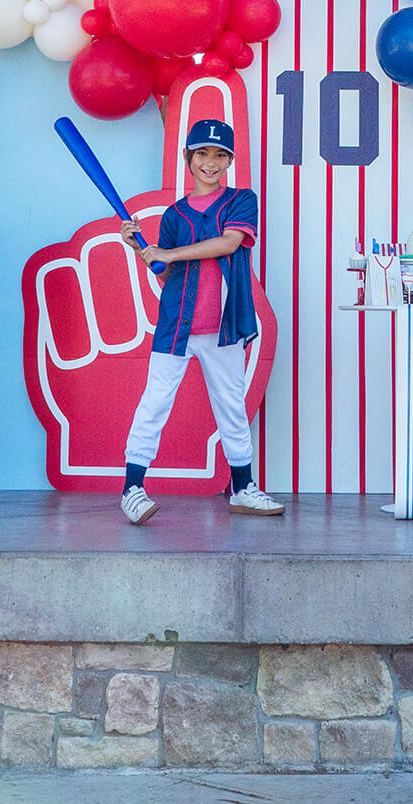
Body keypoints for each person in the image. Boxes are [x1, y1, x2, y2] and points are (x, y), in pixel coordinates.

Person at [118, 118, 284, 524]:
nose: (210, 163)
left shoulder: (242, 200)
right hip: (177, 324)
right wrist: (141, 250)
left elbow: (229, 243)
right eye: (202, 153)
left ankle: (242, 488)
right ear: (187, 157)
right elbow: (167, 273)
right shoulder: (174, 215)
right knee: (154, 404)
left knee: (231, 406)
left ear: (229, 160)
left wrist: (169, 253)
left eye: (220, 155)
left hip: (224, 326)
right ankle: (131, 489)